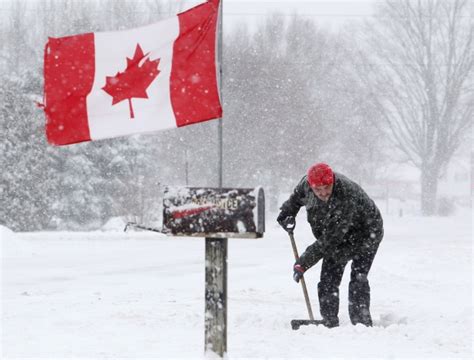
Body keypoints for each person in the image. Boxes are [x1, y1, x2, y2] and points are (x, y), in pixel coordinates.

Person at [277, 163, 384, 328]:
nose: (323, 193)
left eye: (327, 187)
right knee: (328, 278)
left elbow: (330, 240)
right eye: (318, 190)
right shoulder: (305, 185)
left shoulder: (347, 194)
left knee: (358, 276)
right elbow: (294, 201)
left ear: (332, 181)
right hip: (336, 234)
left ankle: (361, 322)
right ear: (311, 186)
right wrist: (286, 215)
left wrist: (303, 262)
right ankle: (329, 320)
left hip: (366, 232)